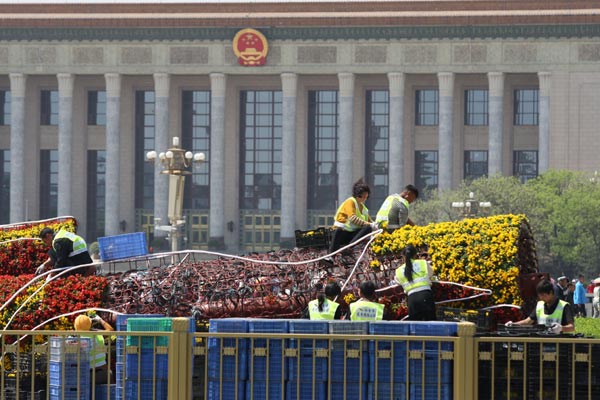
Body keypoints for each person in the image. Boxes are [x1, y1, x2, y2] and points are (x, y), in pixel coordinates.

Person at [325, 179, 377, 262]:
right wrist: (369, 224)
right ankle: (331, 256)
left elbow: (370, 222)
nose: (364, 199)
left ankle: (349, 249)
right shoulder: (350, 202)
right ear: (358, 195)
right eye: (363, 196)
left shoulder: (363, 208)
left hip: (352, 235)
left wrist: (375, 226)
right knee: (338, 231)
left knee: (368, 228)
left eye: (366, 197)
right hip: (342, 233)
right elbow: (352, 218)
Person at [505, 279, 575, 334]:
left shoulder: (564, 306)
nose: (541, 298)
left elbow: (572, 327)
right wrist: (513, 325)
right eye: (540, 296)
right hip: (541, 342)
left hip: (558, 342)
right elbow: (528, 321)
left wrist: (561, 328)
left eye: (544, 295)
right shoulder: (539, 305)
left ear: (551, 293)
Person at [394, 244, 436, 321]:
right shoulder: (423, 263)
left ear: (403, 256)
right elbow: (431, 273)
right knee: (431, 324)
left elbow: (398, 281)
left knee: (416, 327)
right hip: (426, 296)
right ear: (415, 254)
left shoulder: (399, 270)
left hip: (412, 299)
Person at [73, 312, 115, 385]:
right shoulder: (98, 336)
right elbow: (110, 330)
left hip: (87, 375)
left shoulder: (76, 339)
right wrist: (99, 319)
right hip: (104, 373)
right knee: (109, 390)